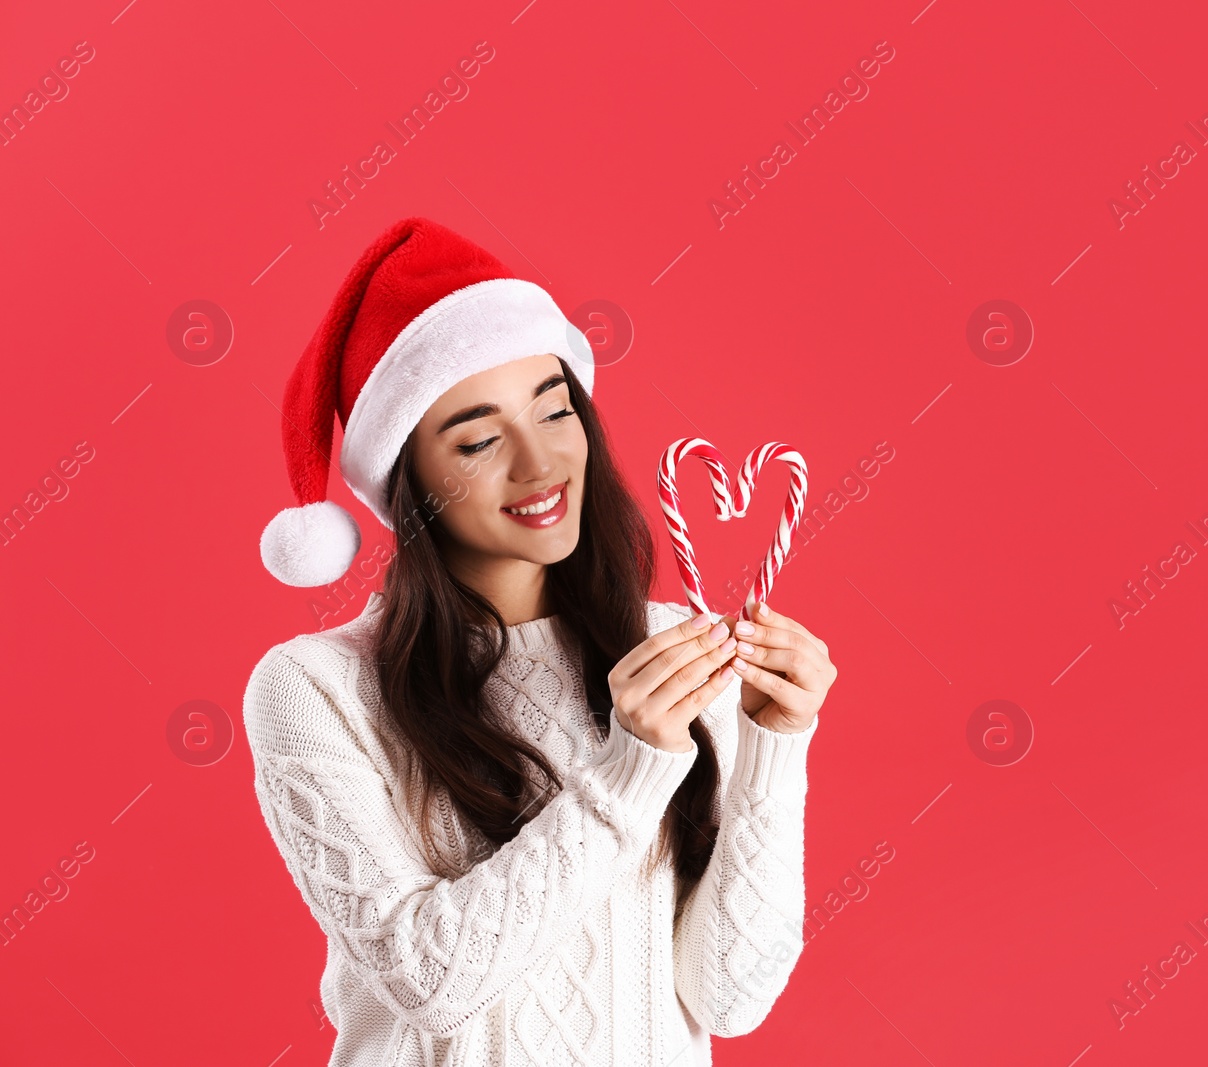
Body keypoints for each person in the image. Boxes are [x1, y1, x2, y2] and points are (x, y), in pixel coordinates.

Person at [242, 217, 836, 1066]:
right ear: (407, 478)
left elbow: (729, 998)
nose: (541, 462)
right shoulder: (315, 688)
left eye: (556, 410)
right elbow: (433, 981)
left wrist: (778, 747)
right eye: (479, 439)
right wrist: (631, 767)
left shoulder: (671, 657)